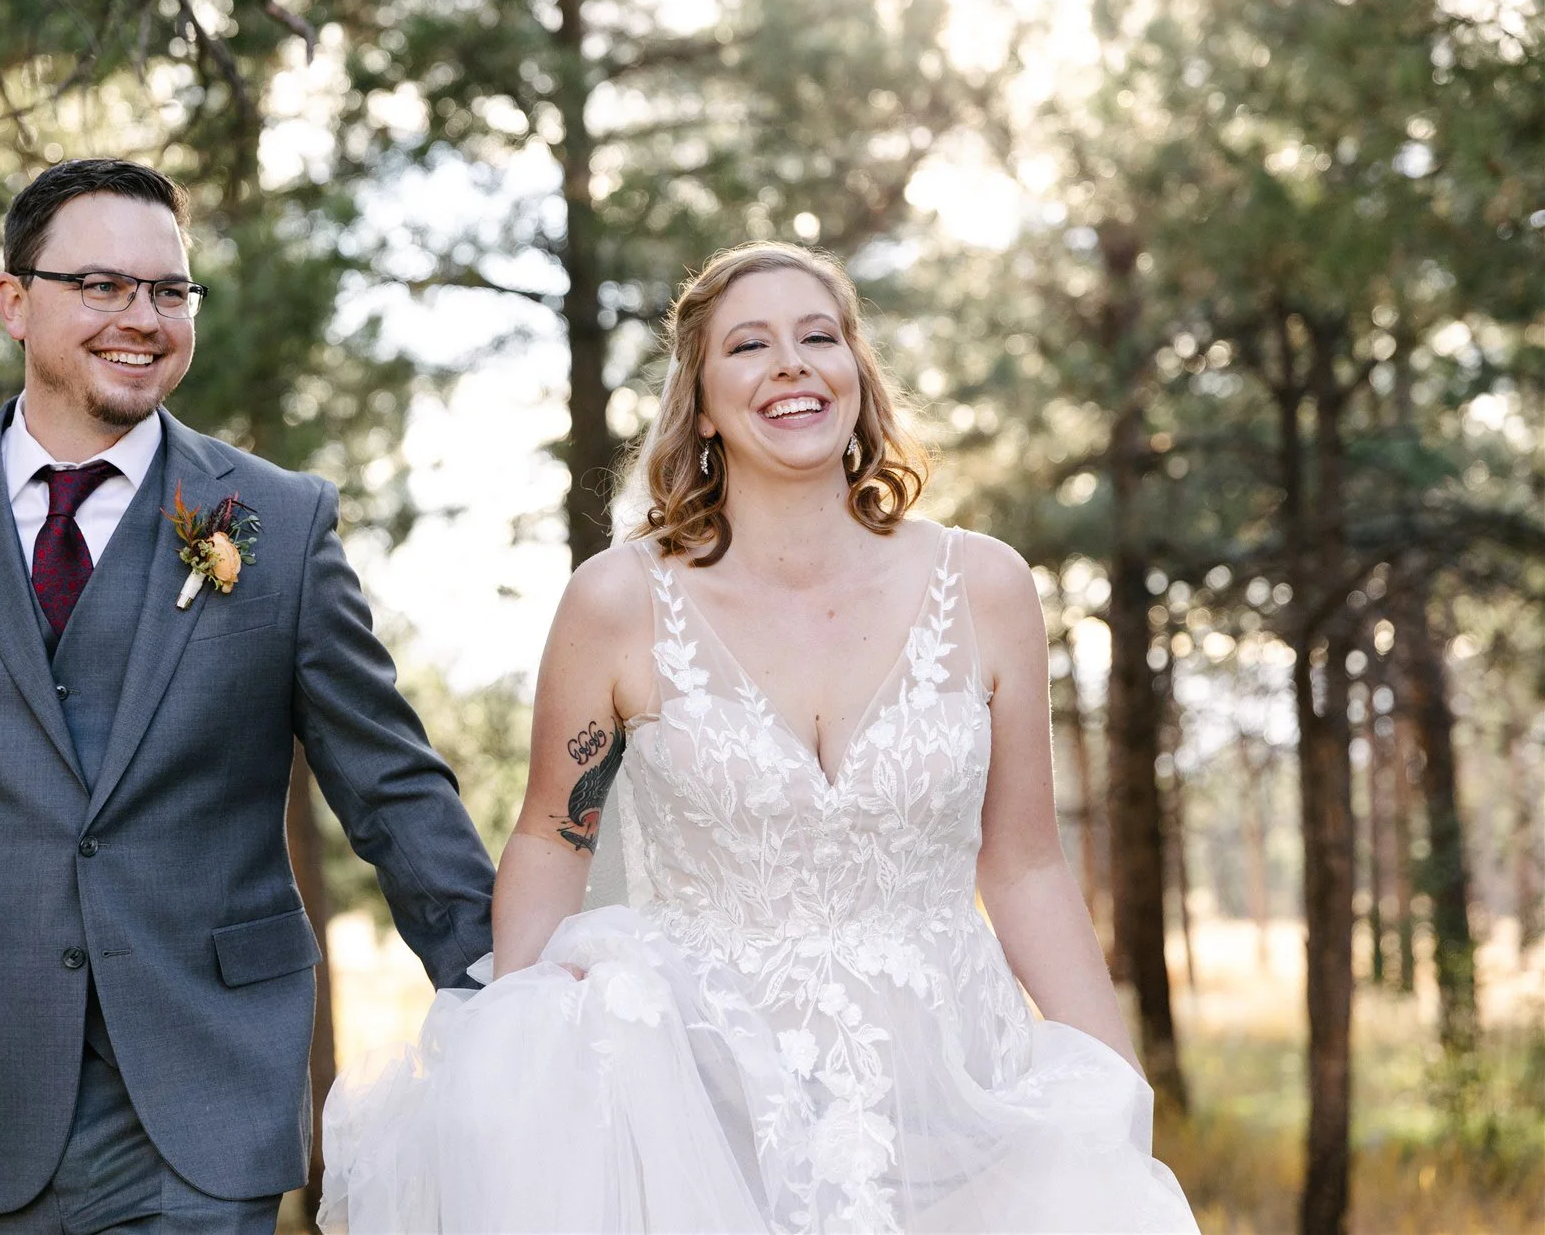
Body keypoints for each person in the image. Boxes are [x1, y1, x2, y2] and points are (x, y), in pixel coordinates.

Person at [321, 240, 1199, 1233]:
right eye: (748, 345)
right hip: (706, 1101)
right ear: (700, 404)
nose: (789, 364)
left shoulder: (985, 586)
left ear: (855, 374)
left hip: (952, 1092)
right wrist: (517, 1052)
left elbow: (1027, 865)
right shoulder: (617, 603)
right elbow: (552, 836)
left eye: (817, 337)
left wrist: (1117, 1099)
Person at [0, 158, 496, 1234]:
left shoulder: (278, 524)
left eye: (168, 290)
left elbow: (391, 787)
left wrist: (498, 997)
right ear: (14, 301)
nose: (142, 318)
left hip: (206, 1092)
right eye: (101, 285)